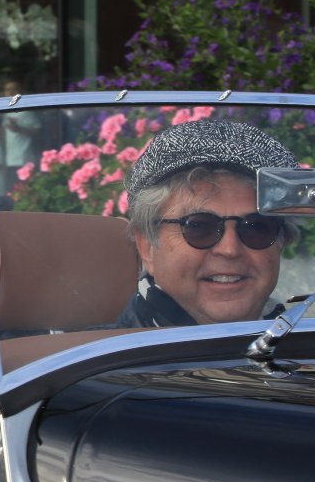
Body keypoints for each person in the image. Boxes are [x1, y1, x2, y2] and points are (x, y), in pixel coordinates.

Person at [117, 117, 299, 327]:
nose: (230, 250)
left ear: (281, 242)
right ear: (147, 246)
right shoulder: (98, 348)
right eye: (199, 226)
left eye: (257, 227)